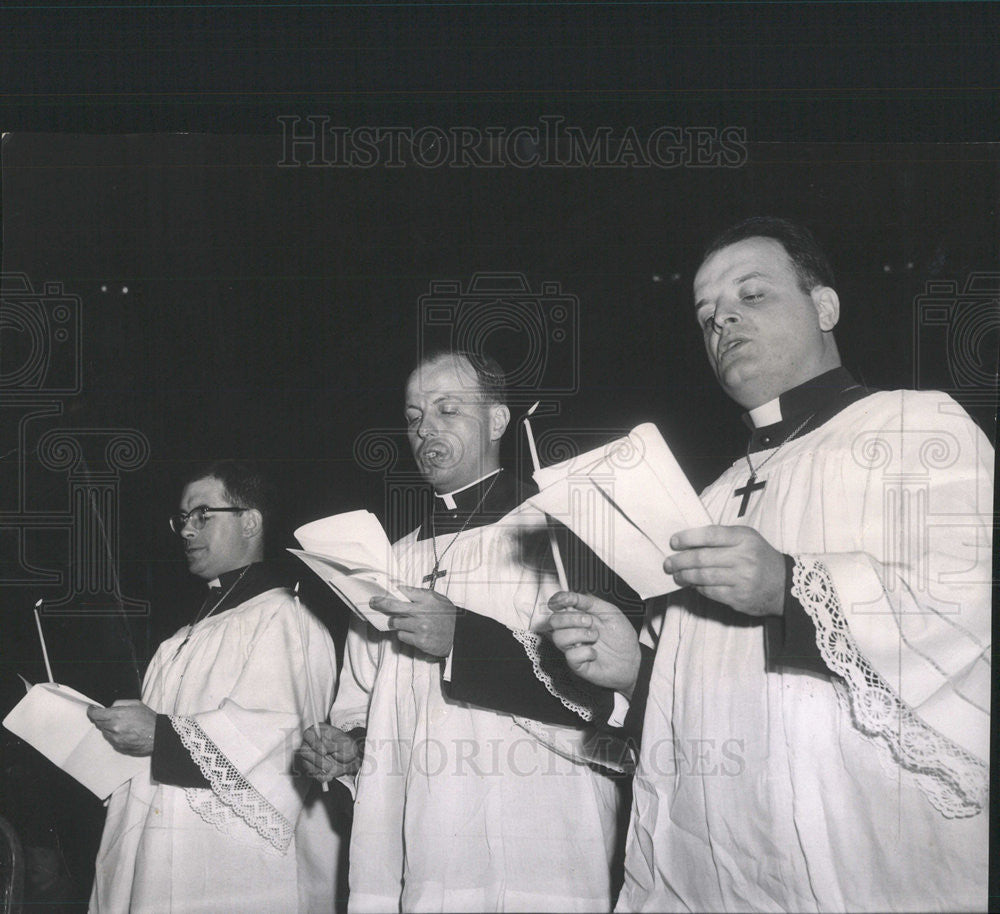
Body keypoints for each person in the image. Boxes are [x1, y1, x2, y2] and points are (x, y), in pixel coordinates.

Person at [547, 217, 992, 912]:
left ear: (825, 307)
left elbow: (969, 604)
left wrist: (791, 585)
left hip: (863, 836)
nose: (722, 321)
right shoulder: (711, 493)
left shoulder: (914, 425)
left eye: (750, 296)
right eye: (706, 315)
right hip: (723, 854)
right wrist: (635, 668)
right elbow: (698, 684)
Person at [298, 351, 624, 913]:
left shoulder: (561, 534)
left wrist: (462, 640)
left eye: (448, 409)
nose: (426, 429)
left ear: (498, 421)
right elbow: (363, 698)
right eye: (413, 415)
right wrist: (347, 747)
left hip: (540, 824)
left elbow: (609, 696)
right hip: (419, 830)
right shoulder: (385, 561)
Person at [88, 460, 342, 913]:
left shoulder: (286, 620)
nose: (187, 530)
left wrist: (160, 736)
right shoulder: (178, 640)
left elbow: (277, 742)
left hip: (231, 872)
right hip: (154, 856)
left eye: (203, 515)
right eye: (182, 519)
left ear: (250, 522)